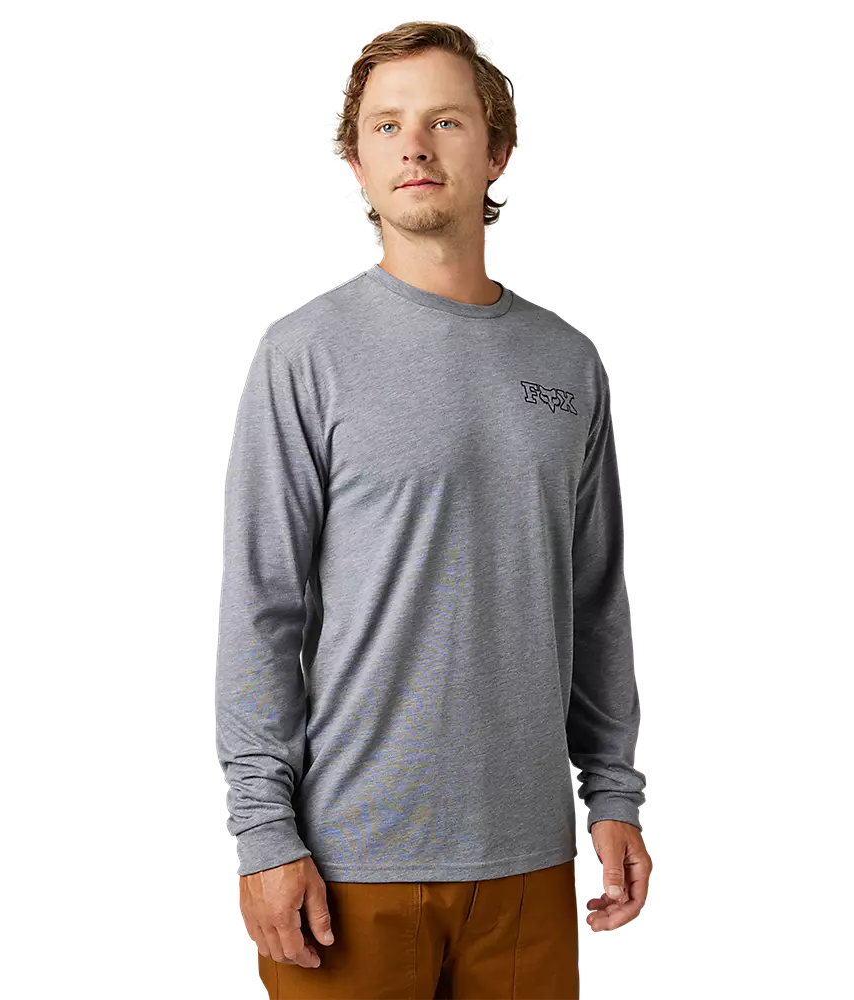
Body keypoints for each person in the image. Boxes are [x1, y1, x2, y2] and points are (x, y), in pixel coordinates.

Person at [214, 18, 652, 999]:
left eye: (445, 121)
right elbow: (261, 606)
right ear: (355, 159)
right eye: (386, 125)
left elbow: (594, 600)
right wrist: (263, 834)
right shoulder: (303, 354)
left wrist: (612, 793)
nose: (413, 145)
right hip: (347, 864)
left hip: (529, 860)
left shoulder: (566, 362)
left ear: (498, 151)